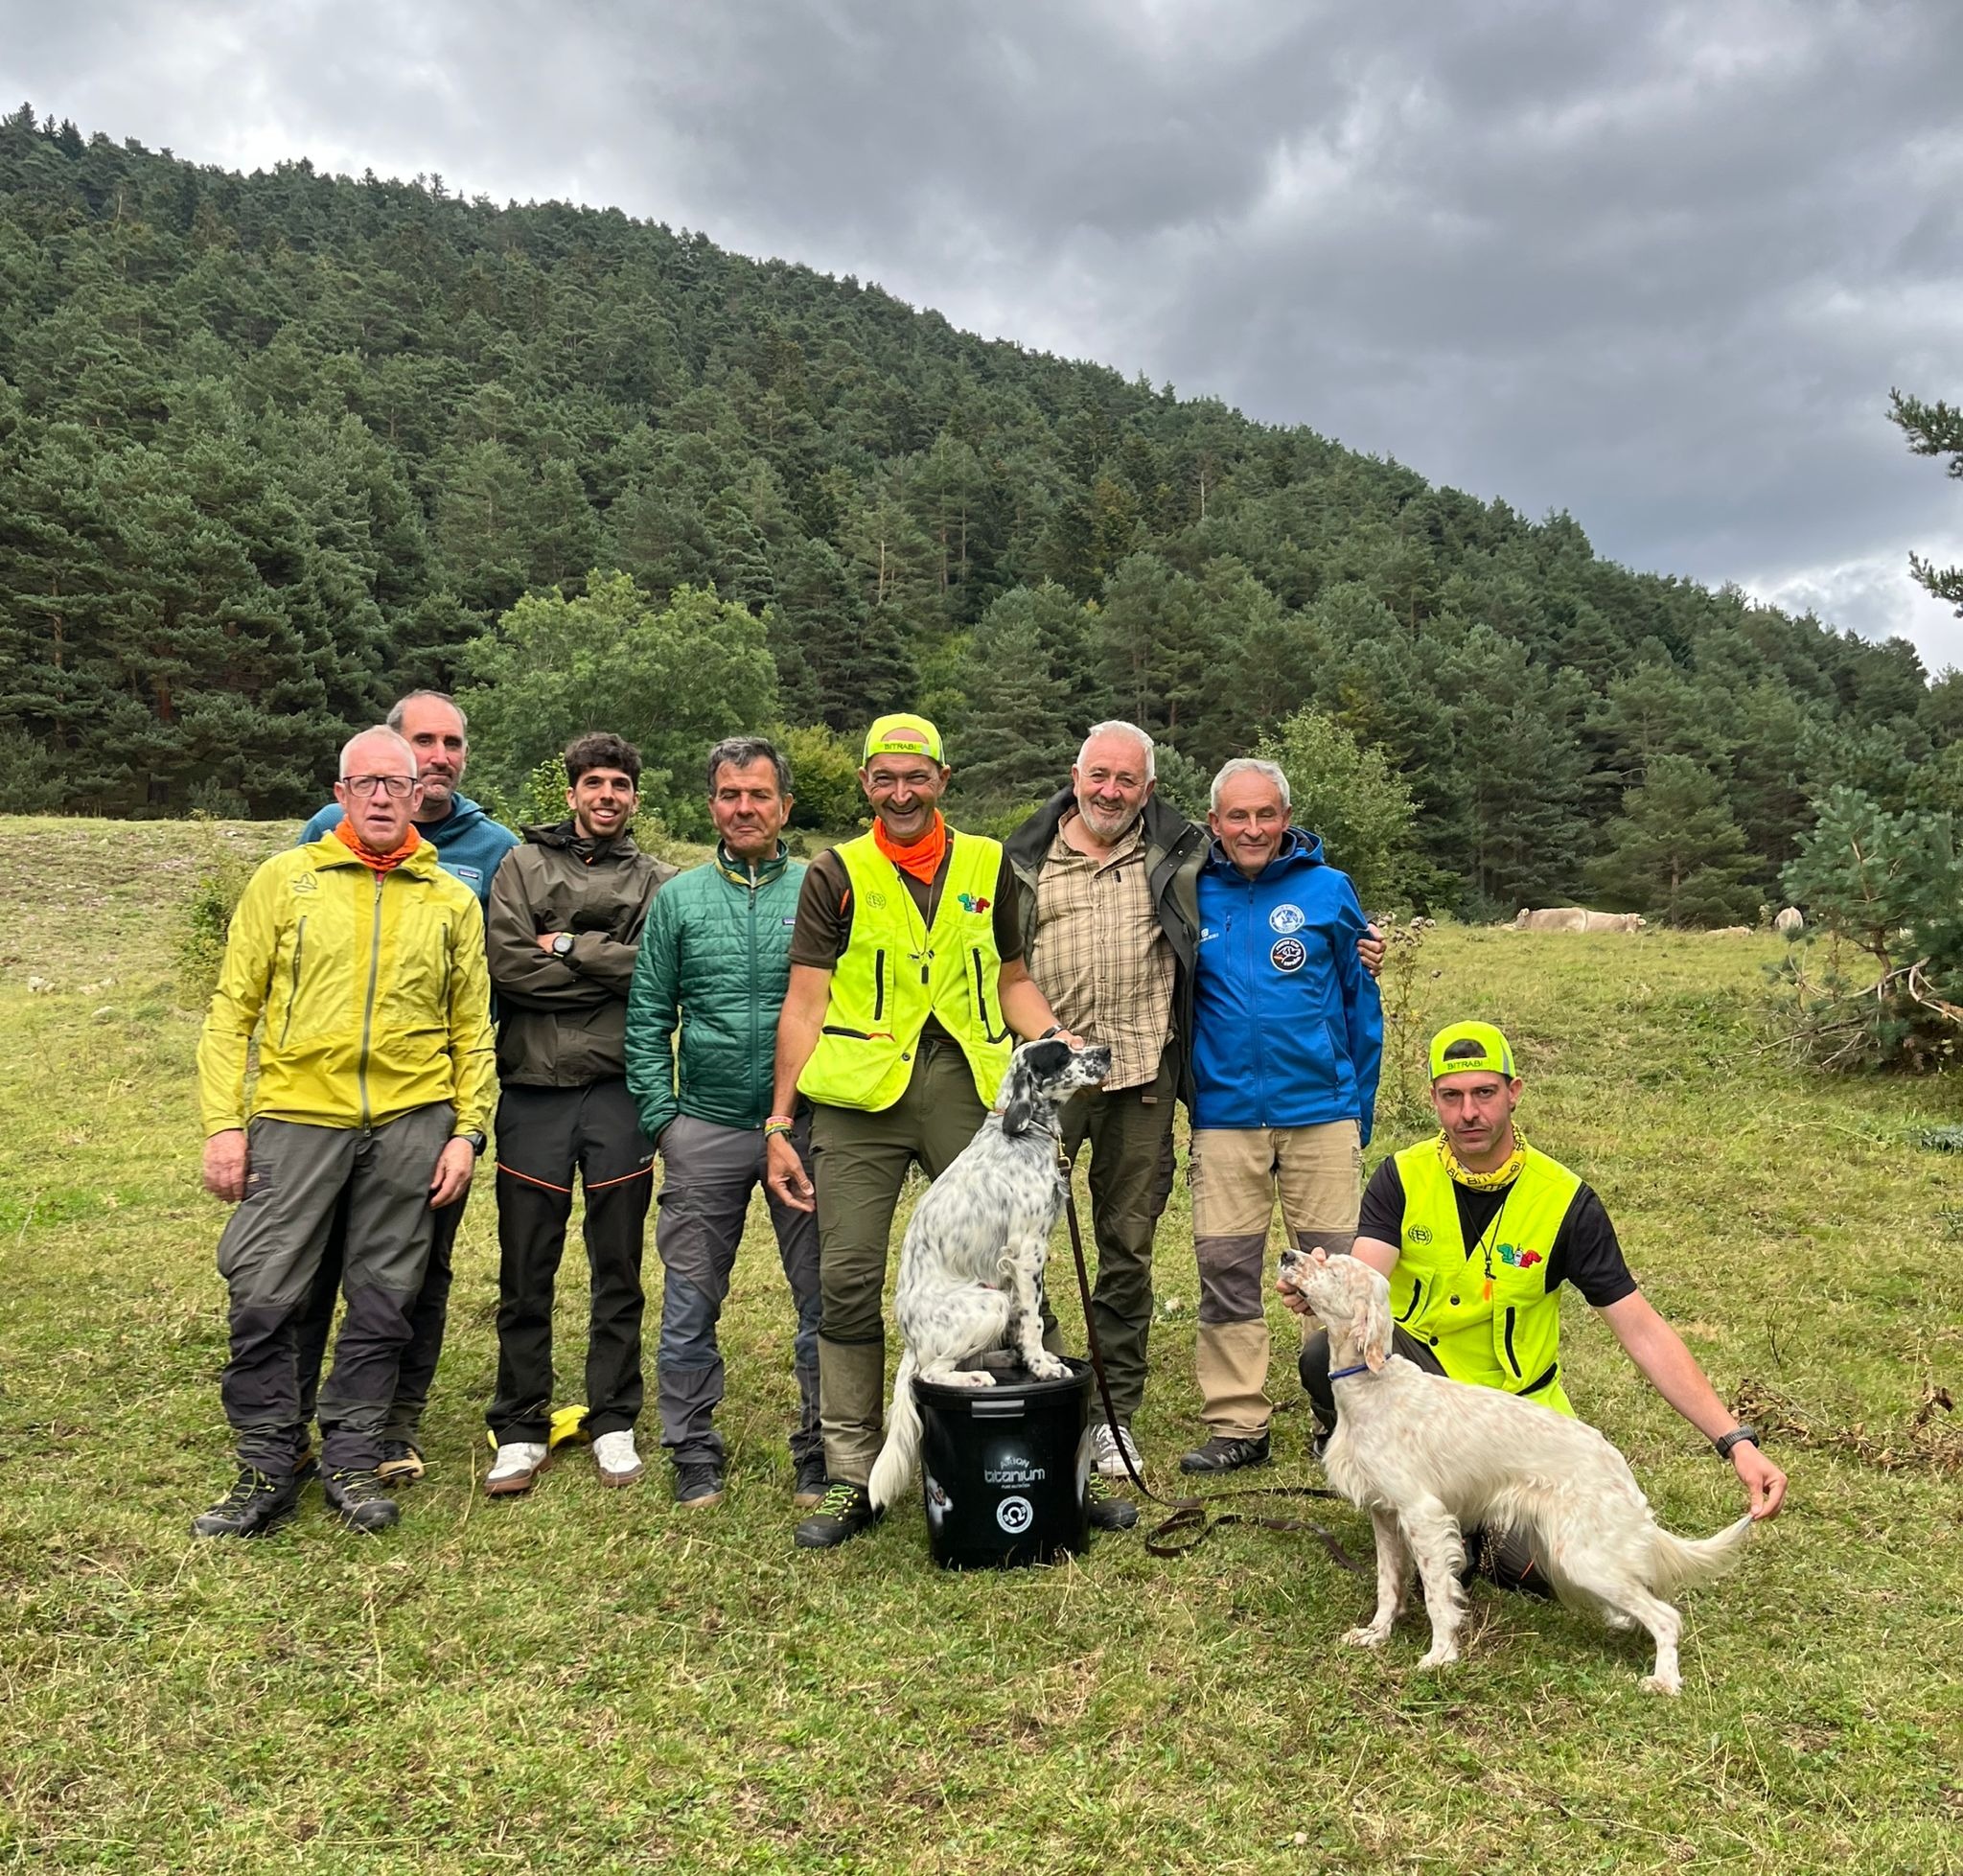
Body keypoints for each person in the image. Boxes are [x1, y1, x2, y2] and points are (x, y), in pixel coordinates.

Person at [1285, 1019, 1787, 1589]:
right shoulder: (1401, 1176)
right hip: (1422, 1385)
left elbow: (1642, 1330)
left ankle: (1469, 1522)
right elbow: (1367, 1278)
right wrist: (1320, 1290)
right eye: (1451, 1096)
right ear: (1433, 1100)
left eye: (1484, 1093)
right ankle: (1406, 1484)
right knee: (1323, 1355)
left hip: (1510, 1419)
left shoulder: (1566, 1201)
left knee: (1546, 1571)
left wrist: (1734, 1441)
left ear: (1514, 1093)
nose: (1468, 1113)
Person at [763, 714, 1073, 1548]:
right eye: (885, 778)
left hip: (969, 1088)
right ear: (866, 783)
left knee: (1016, 1259)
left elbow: (1013, 980)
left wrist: (1055, 1038)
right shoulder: (835, 871)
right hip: (861, 1095)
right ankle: (851, 1472)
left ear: (942, 778)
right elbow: (805, 1002)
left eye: (916, 776)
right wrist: (781, 1120)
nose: (901, 793)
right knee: (847, 1275)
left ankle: (1047, 1448)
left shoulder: (988, 863)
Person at [193, 726, 495, 1537]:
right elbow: (231, 1009)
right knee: (266, 1289)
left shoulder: (450, 899)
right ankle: (267, 1461)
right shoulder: (285, 880)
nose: (384, 797)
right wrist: (223, 1124)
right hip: (296, 1115)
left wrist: (466, 1132)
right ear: (341, 795)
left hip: (412, 1120)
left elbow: (472, 1029)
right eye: (368, 783)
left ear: (419, 795)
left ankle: (353, 1459)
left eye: (398, 784)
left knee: (384, 1298)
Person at [292, 690, 520, 1483]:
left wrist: (469, 1112)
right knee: (313, 1262)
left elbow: (497, 979)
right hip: (322, 1102)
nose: (439, 756)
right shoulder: (326, 832)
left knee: (418, 1266)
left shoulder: (494, 848)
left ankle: (392, 1424)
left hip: (432, 1100)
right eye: (424, 740)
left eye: (452, 742)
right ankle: (295, 1419)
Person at [624, 736, 825, 1513]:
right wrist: (664, 1121)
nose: (745, 808)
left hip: (803, 1127)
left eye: (759, 795)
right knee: (689, 1299)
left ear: (785, 806)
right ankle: (692, 1447)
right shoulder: (679, 899)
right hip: (704, 1126)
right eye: (730, 794)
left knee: (822, 1297)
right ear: (711, 804)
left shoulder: (819, 888)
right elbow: (648, 1016)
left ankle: (822, 1445)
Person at [1172, 756, 1382, 1474]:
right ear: (1215, 823)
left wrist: (1357, 1108)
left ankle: (1340, 1417)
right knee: (1225, 1268)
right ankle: (1238, 1423)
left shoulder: (1329, 890)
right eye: (1238, 816)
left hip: (1321, 1110)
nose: (1253, 828)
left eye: (1266, 814)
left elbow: (1361, 1004)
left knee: (1334, 1274)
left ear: (1287, 819)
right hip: (1225, 1115)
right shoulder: (1190, 891)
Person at [481, 733, 676, 1495]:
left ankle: (614, 1416)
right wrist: (604, 964)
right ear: (571, 793)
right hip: (532, 1089)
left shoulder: (656, 878)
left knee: (617, 1263)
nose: (606, 796)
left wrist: (562, 942)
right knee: (525, 1266)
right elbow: (509, 967)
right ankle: (519, 1424)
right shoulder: (520, 865)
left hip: (618, 1091)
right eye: (593, 783)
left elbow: (654, 972)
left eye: (619, 785)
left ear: (634, 797)